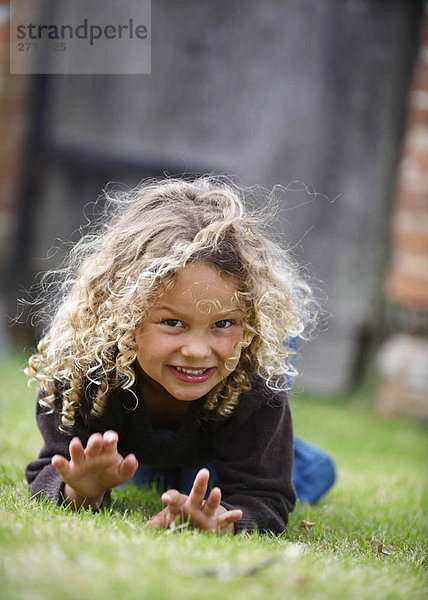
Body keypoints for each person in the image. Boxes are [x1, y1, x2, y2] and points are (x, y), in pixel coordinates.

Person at [25, 176, 335, 535]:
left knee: (204, 481)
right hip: (146, 434)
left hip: (221, 416)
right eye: (173, 322)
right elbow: (50, 468)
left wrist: (222, 523)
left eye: (223, 323)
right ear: (123, 316)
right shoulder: (83, 373)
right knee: (152, 477)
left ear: (247, 322)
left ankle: (308, 463)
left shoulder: (253, 380)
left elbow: (264, 496)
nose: (196, 350)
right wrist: (79, 489)